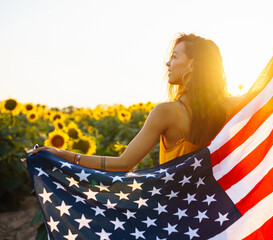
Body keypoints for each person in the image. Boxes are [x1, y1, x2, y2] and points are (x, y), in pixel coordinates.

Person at [24, 33, 244, 171]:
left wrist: (63, 155)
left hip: (175, 212)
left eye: (175, 56)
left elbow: (124, 164)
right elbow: (267, 93)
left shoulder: (167, 112)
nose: (168, 62)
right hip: (215, 210)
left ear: (192, 65)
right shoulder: (226, 106)